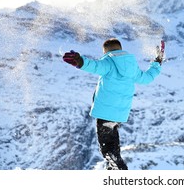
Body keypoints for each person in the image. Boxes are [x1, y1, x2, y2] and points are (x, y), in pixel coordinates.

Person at [62, 38, 163, 170]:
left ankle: (119, 169)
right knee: (113, 144)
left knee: (107, 149)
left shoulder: (108, 62)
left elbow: (94, 65)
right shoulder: (132, 67)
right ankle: (113, 172)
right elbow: (148, 77)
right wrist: (157, 62)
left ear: (106, 51)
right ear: (120, 49)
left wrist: (79, 61)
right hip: (119, 115)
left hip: (105, 113)